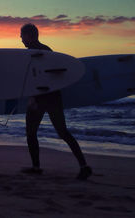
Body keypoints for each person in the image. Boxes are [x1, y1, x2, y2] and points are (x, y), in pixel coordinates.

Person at [20, 23, 92, 180]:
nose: (20, 39)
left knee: (31, 133)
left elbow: (35, 77)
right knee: (62, 132)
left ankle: (36, 167)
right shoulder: (48, 51)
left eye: (22, 35)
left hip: (40, 98)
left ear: (29, 36)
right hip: (53, 97)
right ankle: (83, 166)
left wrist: (32, 97)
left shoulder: (31, 54)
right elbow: (55, 74)